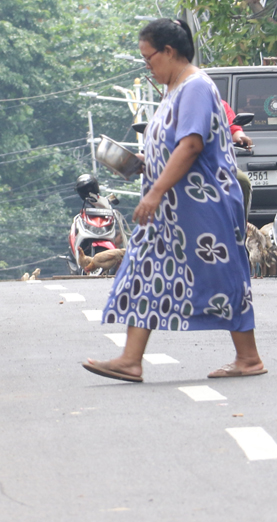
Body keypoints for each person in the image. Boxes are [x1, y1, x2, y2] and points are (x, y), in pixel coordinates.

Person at [82, 19, 264, 382]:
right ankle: (130, 359)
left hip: (202, 205)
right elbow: (171, 145)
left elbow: (191, 145)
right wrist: (142, 163)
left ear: (169, 51)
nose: (147, 67)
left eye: (149, 58)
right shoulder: (173, 89)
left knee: (219, 274)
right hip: (170, 211)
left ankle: (248, 357)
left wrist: (155, 191)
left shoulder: (195, 87)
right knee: (142, 270)